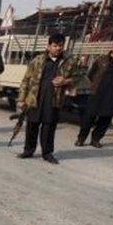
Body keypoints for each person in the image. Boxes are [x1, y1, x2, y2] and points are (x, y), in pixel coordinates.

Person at [17, 33, 77, 164]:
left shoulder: (69, 61)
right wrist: (21, 99)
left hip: (53, 100)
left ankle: (47, 153)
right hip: (34, 99)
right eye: (55, 46)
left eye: (60, 46)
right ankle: (29, 150)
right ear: (49, 46)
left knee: (49, 128)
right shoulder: (38, 60)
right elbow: (26, 80)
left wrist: (65, 80)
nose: (58, 48)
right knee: (32, 126)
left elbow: (80, 78)